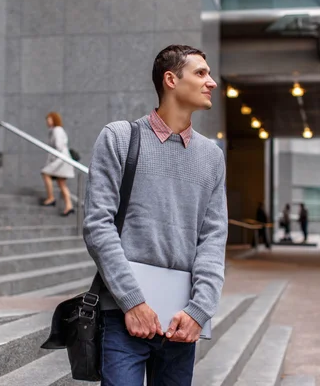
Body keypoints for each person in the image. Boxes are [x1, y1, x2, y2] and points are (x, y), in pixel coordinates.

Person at [83, 45, 227, 386]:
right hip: (123, 315)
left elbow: (213, 239)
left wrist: (199, 310)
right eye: (201, 73)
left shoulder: (211, 157)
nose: (213, 82)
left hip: (182, 319)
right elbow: (97, 226)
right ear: (171, 80)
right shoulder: (119, 138)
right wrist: (133, 303)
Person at [40, 112, 75, 216]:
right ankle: (69, 205)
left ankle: (51, 198)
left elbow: (58, 146)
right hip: (62, 159)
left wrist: (52, 160)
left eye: (49, 119)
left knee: (45, 173)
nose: (47, 122)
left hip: (60, 159)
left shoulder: (56, 130)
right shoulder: (56, 130)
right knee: (61, 183)